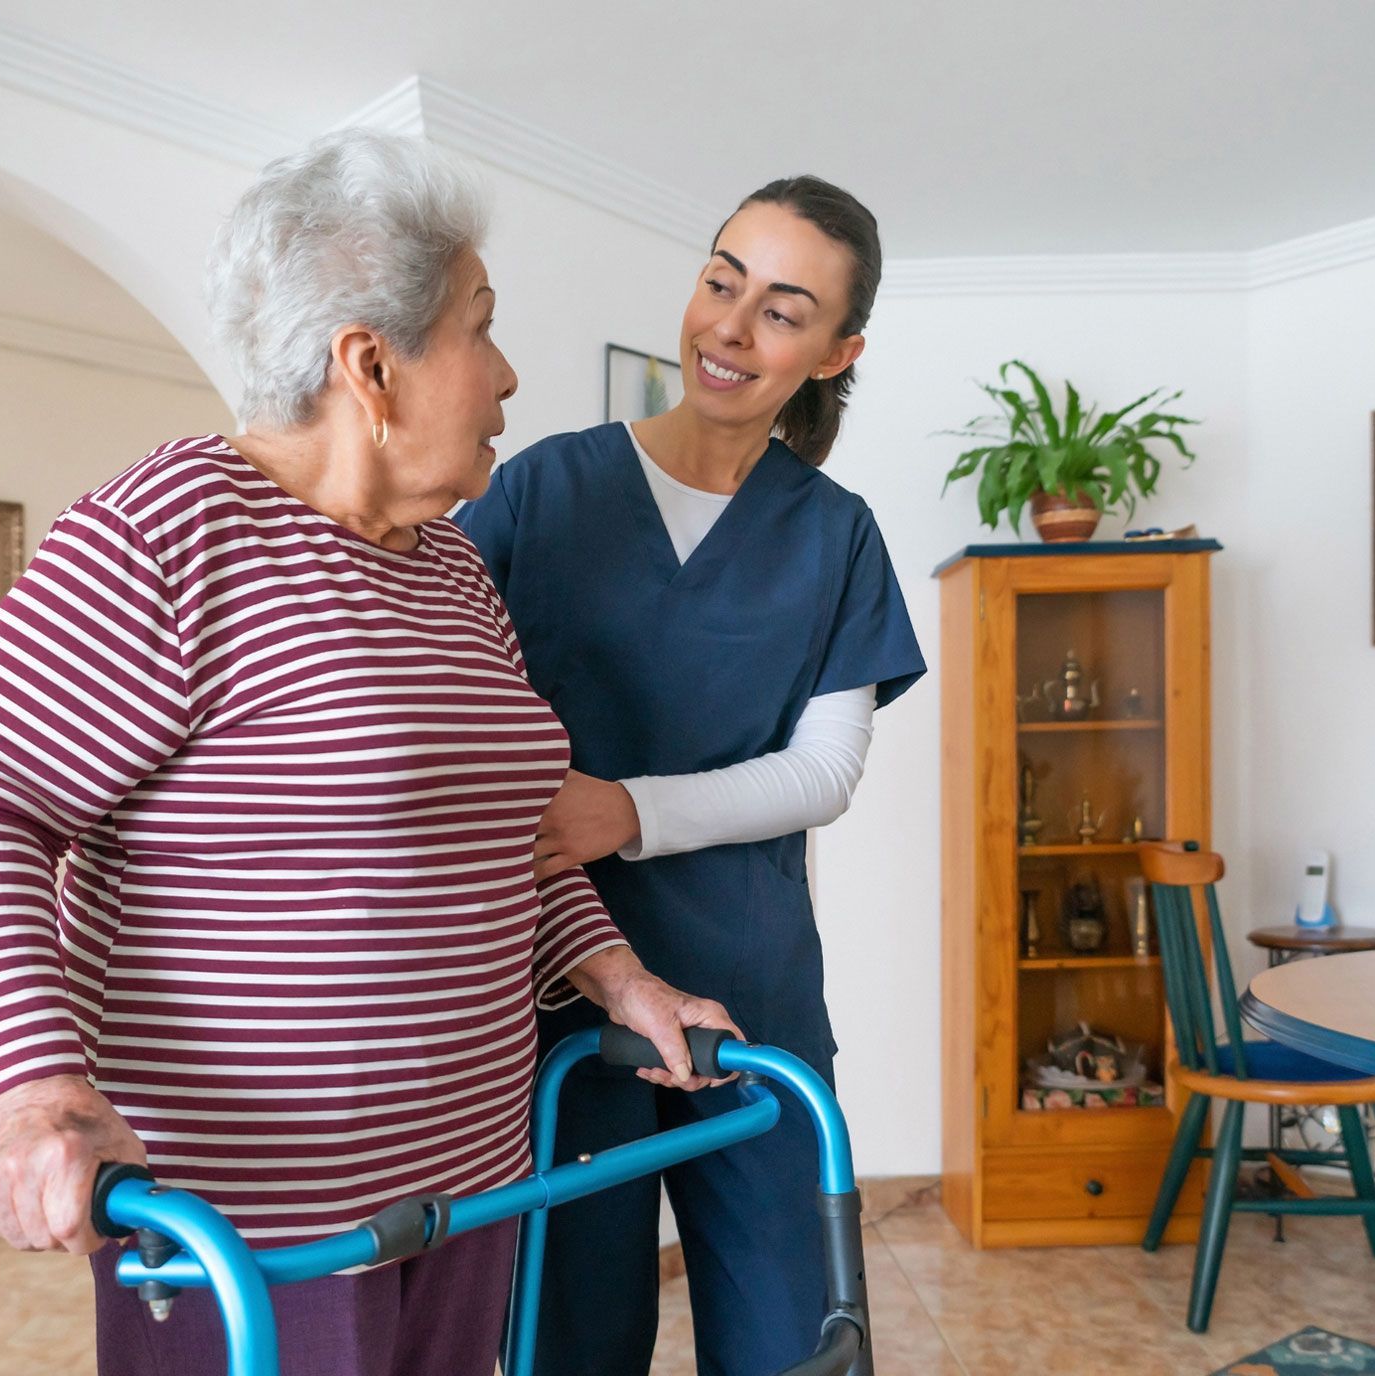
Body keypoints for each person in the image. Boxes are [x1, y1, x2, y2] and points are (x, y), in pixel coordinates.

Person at [0, 129, 736, 1376]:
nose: (507, 376)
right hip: (259, 1215)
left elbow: (504, 833)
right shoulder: (165, 530)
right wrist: (32, 1088)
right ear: (371, 362)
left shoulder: (454, 569)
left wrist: (622, 979)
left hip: (473, 1176)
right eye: (480, 325)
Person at [454, 174, 926, 1376]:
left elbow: (827, 769)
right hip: (556, 979)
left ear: (836, 351)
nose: (730, 325)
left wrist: (627, 810)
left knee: (793, 1328)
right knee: (571, 1332)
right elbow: (447, 699)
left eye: (783, 308)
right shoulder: (539, 490)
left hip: (750, 978)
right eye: (723, 279)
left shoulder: (836, 533)